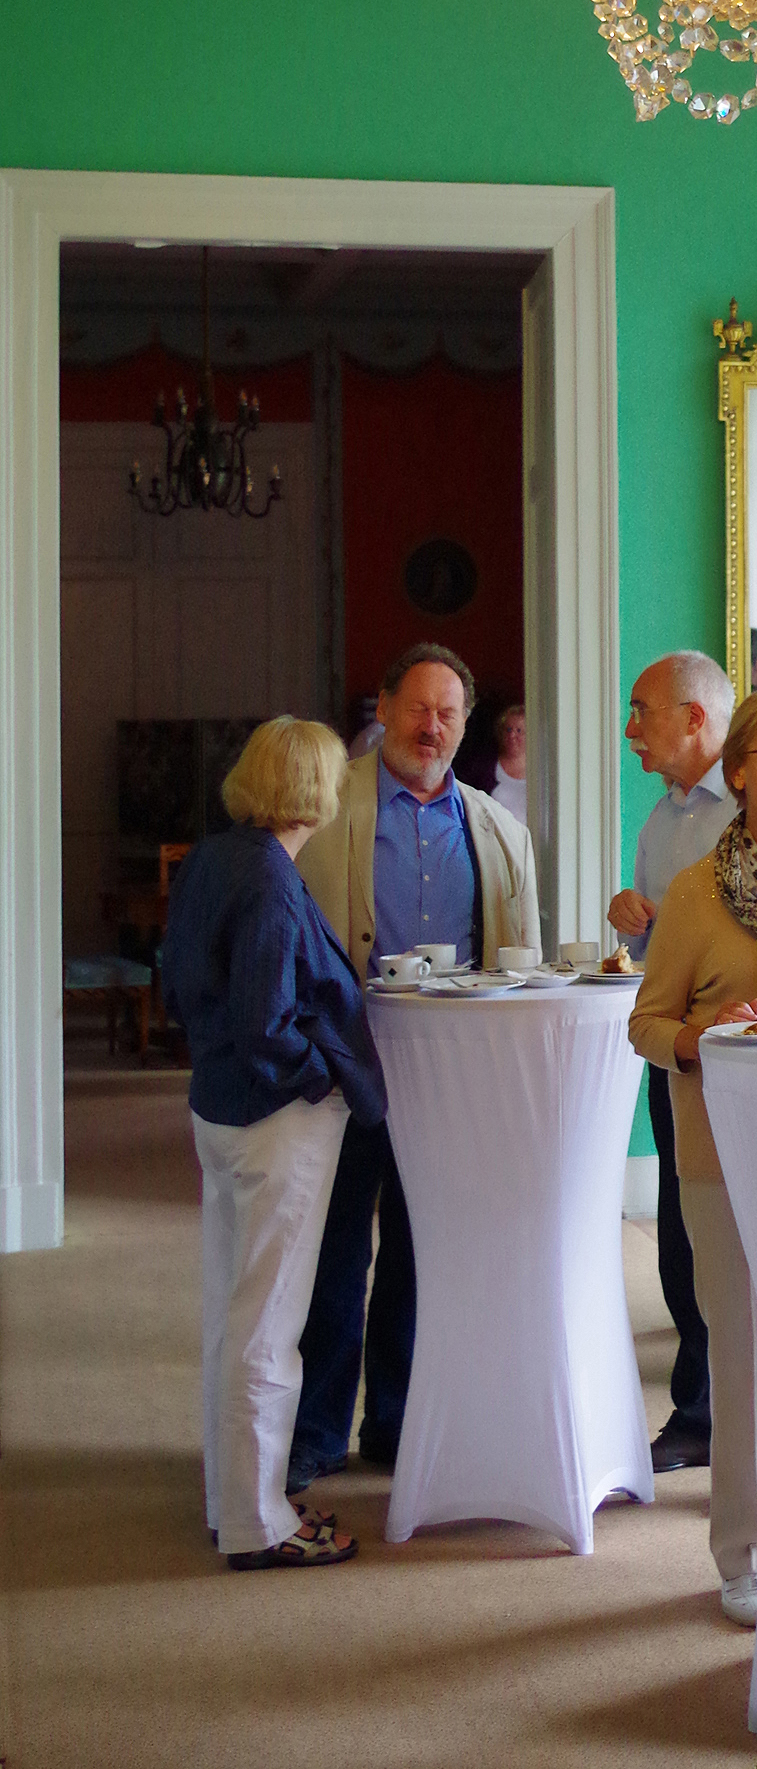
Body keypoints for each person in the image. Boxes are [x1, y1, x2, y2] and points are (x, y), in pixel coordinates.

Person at [285, 641, 541, 1492]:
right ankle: (317, 1430)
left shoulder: (499, 829)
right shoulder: (324, 811)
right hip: (344, 1069)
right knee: (334, 1253)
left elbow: (520, 961)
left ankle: (395, 1422)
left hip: (450, 1079)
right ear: (386, 709)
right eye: (419, 709)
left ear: (465, 725)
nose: (432, 727)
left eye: (449, 713)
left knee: (420, 1250)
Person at [630, 687, 757, 1629]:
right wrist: (704, 1034)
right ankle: (742, 1553)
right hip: (721, 1153)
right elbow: (646, 1024)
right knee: (743, 1351)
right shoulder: (694, 893)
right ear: (740, 769)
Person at [164, 718, 386, 1570]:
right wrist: (322, 1078)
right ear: (316, 791)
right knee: (269, 1326)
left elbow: (183, 983)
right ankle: (260, 1524)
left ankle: (233, 1503)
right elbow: (268, 1024)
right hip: (274, 1120)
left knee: (235, 1316)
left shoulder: (214, 859)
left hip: (220, 1109)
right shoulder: (267, 877)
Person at [608, 652, 737, 1474]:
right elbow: (656, 942)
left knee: (735, 1237)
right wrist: (629, 917)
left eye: (642, 710)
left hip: (743, 1057)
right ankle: (698, 1409)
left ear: (694, 718)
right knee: (681, 1238)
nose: (630, 731)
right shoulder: (661, 820)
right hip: (674, 1056)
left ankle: (736, 1409)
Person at [489, 702, 528, 827]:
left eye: (519, 731)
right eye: (508, 730)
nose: (512, 735)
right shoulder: (484, 768)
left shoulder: (540, 770)